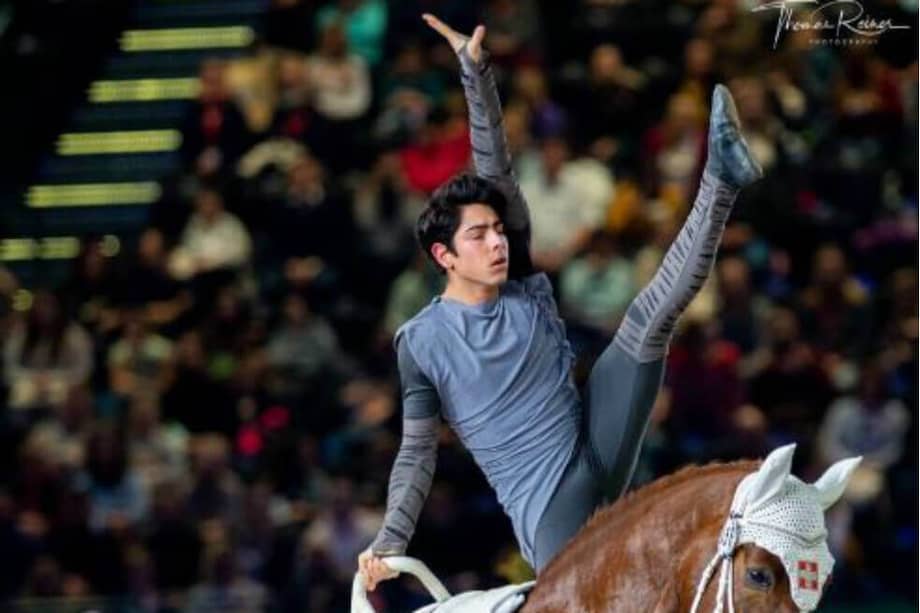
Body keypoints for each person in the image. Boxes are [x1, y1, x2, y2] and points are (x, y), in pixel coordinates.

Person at [359, 14, 763, 588]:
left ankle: (722, 180)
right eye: (479, 236)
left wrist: (476, 75)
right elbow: (416, 454)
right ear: (443, 255)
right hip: (552, 511)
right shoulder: (421, 342)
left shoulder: (518, 277)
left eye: (498, 229)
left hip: (597, 440)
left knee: (649, 321)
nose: (498, 241)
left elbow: (495, 166)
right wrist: (388, 542)